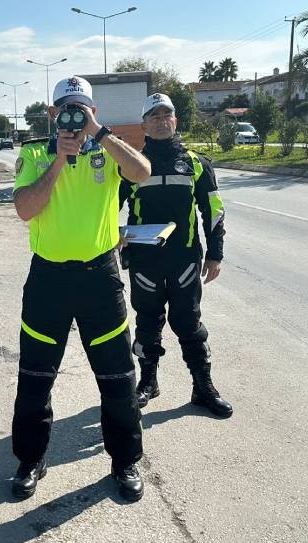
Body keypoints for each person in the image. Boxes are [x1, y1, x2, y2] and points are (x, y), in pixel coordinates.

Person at [10, 76, 152, 502]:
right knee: (35, 376)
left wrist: (99, 133)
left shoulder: (107, 150)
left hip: (100, 278)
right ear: (53, 114)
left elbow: (142, 173)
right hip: (48, 278)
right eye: (66, 109)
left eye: (82, 108)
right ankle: (30, 459)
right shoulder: (35, 151)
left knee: (117, 376)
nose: (73, 116)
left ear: (93, 111)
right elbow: (25, 209)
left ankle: (125, 461)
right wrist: (57, 161)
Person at [118, 92, 232, 418]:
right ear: (144, 124)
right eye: (153, 115)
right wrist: (114, 237)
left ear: (175, 120)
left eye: (166, 114)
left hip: (184, 259)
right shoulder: (133, 164)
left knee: (188, 323)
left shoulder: (196, 163)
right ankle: (148, 382)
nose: (161, 120)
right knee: (148, 323)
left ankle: (203, 387)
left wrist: (216, 255)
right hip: (144, 261)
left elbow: (214, 212)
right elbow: (108, 207)